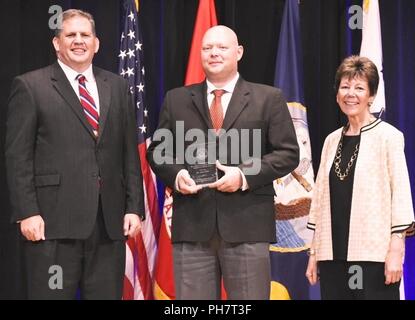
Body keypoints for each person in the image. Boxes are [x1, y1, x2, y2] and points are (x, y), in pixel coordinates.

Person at [147, 25, 299, 300]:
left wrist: (242, 176)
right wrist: (177, 175)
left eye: (222, 47)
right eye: (207, 48)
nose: (214, 53)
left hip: (248, 227)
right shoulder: (176, 99)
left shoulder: (269, 98)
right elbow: (158, 151)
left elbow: (287, 154)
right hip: (192, 226)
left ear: (238, 52)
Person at [5, 9, 144, 299]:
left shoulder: (117, 86)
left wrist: (133, 206)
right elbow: (18, 156)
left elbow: (129, 153)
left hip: (108, 225)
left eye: (85, 35)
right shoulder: (31, 86)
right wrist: (27, 212)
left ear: (96, 43)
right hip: (52, 226)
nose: (78, 41)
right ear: (57, 43)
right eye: (70, 35)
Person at [305, 55, 415, 300]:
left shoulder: (389, 136)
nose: (350, 94)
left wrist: (396, 250)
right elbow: (320, 198)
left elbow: (401, 195)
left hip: (373, 256)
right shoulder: (331, 141)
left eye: (359, 88)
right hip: (332, 256)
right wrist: (314, 253)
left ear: (371, 96)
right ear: (337, 95)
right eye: (344, 87)